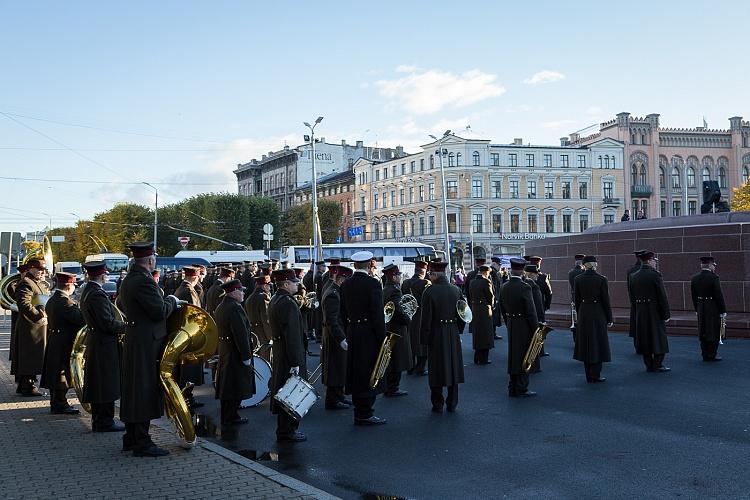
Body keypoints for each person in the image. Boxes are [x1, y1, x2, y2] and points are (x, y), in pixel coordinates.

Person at [117, 242, 182, 457]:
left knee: (134, 390)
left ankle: (132, 437)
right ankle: (142, 442)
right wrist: (171, 300)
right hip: (146, 343)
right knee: (143, 391)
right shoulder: (143, 281)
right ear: (151, 260)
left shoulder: (130, 279)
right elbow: (158, 311)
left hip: (137, 339)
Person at [340, 251, 387, 426]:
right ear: (369, 266)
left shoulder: (346, 284)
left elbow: (342, 312)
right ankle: (365, 412)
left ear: (354, 265)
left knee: (356, 371)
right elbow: (377, 315)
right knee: (370, 370)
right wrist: (382, 338)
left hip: (353, 330)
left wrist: (348, 330)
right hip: (368, 333)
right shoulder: (373, 284)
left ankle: (359, 410)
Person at [79, 261, 126, 432]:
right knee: (106, 383)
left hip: (97, 342)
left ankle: (100, 420)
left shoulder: (88, 291)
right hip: (104, 344)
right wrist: (128, 327)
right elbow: (107, 323)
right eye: (106, 273)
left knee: (99, 383)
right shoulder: (97, 294)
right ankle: (104, 421)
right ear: (102, 274)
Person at [420, 260, 465, 412]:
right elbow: (463, 313)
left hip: (436, 332)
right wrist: (458, 330)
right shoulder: (456, 290)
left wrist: (424, 339)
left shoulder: (429, 291)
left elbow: (426, 319)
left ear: (433, 274)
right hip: (452, 331)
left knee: (436, 368)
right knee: (453, 366)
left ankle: (437, 403)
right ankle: (452, 402)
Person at [268, 269, 307, 442]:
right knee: (290, 393)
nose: (297, 284)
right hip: (287, 354)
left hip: (280, 351)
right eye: (294, 282)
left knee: (284, 390)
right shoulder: (287, 303)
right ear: (285, 284)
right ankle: (287, 431)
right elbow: (292, 334)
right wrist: (295, 361)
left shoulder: (276, 299)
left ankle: (286, 429)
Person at [40, 272, 85, 414]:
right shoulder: (65, 301)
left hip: (55, 339)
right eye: (73, 285)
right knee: (61, 374)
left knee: (55, 373)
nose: (74, 288)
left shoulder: (54, 299)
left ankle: (57, 402)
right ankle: (60, 404)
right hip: (63, 342)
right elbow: (80, 320)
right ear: (68, 285)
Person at [214, 279, 255, 425]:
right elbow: (240, 334)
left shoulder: (222, 306)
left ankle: (230, 414)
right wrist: (246, 355)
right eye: (241, 290)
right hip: (234, 351)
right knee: (235, 386)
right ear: (233, 292)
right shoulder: (235, 308)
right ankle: (231, 416)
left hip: (226, 349)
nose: (243, 293)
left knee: (228, 385)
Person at [12, 258, 50, 396]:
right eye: (39, 269)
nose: (41, 272)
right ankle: (28, 387)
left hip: (36, 327)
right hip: (30, 327)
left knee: (32, 357)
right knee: (29, 358)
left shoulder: (35, 283)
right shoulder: (27, 283)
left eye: (43, 270)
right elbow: (24, 304)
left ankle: (25, 385)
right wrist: (39, 315)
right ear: (31, 268)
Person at [501, 258, 538, 397]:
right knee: (524, 355)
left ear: (511, 269)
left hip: (511, 323)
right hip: (523, 325)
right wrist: (536, 330)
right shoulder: (525, 287)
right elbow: (531, 311)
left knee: (513, 354)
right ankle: (522, 387)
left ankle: (513, 385)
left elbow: (502, 308)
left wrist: (508, 321)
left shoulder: (505, 286)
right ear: (522, 271)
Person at [629, 251, 671, 372]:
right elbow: (662, 296)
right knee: (659, 338)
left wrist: (637, 311)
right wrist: (666, 314)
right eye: (654, 261)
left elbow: (632, 298)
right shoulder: (655, 275)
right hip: (655, 311)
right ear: (649, 261)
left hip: (641, 311)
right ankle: (658, 364)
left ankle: (648, 364)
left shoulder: (634, 276)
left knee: (645, 338)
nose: (655, 263)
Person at [573, 256, 613, 383]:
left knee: (586, 343)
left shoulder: (578, 279)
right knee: (598, 342)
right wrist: (609, 318)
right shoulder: (601, 279)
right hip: (598, 313)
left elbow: (577, 299)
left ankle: (588, 374)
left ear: (584, 265)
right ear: (595, 264)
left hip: (584, 312)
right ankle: (595, 374)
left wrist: (580, 314)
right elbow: (606, 300)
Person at [321, 265, 352, 410]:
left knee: (340, 367)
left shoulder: (336, 290)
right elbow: (331, 320)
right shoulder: (333, 293)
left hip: (336, 334)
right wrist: (341, 339)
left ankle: (339, 396)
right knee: (335, 368)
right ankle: (332, 400)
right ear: (341, 279)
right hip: (334, 337)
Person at [173, 266, 204, 409]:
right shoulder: (188, 291)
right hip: (189, 334)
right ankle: (186, 399)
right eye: (197, 277)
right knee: (188, 370)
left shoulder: (181, 289)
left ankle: (188, 397)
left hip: (183, 333)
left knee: (185, 370)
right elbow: (194, 313)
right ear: (194, 277)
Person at [382, 264, 411, 397]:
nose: (400, 277)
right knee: (397, 358)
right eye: (398, 275)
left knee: (390, 358)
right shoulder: (395, 291)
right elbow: (398, 311)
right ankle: (393, 387)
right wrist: (408, 319)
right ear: (393, 276)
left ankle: (389, 386)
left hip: (388, 326)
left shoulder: (385, 289)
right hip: (396, 328)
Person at [690, 256, 727, 362]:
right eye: (713, 265)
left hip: (701, 306)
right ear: (710, 265)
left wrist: (697, 309)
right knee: (713, 330)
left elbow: (694, 295)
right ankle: (712, 354)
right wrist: (723, 310)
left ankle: (704, 354)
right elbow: (718, 295)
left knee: (703, 330)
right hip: (712, 307)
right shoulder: (714, 278)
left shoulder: (695, 278)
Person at [402, 260, 430, 376]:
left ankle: (410, 367)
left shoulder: (405, 283)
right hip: (421, 316)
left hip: (409, 316)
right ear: (423, 271)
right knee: (422, 342)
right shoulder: (425, 283)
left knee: (410, 341)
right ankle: (421, 368)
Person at [469, 264, 495, 365]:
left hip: (475, 308)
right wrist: (492, 306)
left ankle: (477, 357)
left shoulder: (472, 281)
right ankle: (484, 358)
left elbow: (470, 294)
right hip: (484, 309)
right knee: (486, 334)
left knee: (478, 333)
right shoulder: (486, 281)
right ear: (486, 272)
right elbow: (490, 296)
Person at [525, 256, 551, 356]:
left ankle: (530, 349)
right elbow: (549, 293)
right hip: (540, 306)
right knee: (540, 327)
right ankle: (540, 350)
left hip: (527, 306)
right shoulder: (543, 277)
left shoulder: (524, 278)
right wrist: (547, 305)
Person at [7, 263, 27, 392]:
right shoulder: (14, 285)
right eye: (25, 272)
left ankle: (23, 380)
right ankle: (20, 379)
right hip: (18, 320)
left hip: (23, 320)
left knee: (22, 352)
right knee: (19, 351)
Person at [244, 273, 273, 363]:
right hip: (263, 334)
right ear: (264, 286)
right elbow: (266, 319)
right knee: (266, 361)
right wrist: (270, 336)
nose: (270, 288)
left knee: (256, 361)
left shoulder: (250, 297)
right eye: (269, 285)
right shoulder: (263, 297)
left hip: (253, 332)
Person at [523, 264, 546, 373]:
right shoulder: (533, 286)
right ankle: (534, 366)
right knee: (534, 343)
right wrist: (541, 319)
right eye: (536, 273)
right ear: (531, 274)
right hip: (534, 317)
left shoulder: (522, 284)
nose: (537, 275)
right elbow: (538, 305)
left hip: (523, 319)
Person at [626, 250, 646, 350]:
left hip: (635, 302)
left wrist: (633, 302)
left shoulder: (631, 270)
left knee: (635, 324)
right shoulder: (650, 271)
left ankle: (637, 346)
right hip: (648, 303)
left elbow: (629, 289)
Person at [568, 254, 586, 341]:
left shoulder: (571, 272)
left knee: (574, 320)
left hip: (574, 298)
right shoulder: (583, 272)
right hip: (583, 299)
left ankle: (575, 338)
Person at [489, 257, 503, 339]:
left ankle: (493, 333)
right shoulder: (492, 273)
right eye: (499, 265)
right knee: (493, 318)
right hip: (494, 298)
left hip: (495, 298)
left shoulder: (495, 272)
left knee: (494, 317)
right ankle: (492, 334)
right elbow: (494, 287)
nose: (500, 266)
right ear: (494, 264)